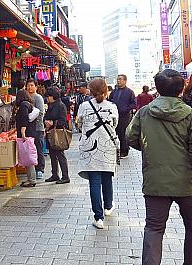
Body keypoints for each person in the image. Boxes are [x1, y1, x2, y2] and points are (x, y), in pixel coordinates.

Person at [127, 69, 192, 265]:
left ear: (158, 89)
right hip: (187, 182)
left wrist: (150, 148)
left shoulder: (144, 113)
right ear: (182, 88)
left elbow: (130, 137)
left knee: (154, 228)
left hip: (155, 181)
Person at [77, 78, 118, 229]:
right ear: (106, 90)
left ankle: (98, 218)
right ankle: (108, 206)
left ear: (90, 91)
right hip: (107, 147)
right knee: (107, 177)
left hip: (90, 148)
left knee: (94, 182)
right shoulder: (112, 107)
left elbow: (79, 124)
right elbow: (115, 124)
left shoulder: (84, 106)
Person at [43, 87, 70, 184]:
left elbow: (63, 121)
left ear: (53, 96)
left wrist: (53, 123)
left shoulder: (61, 105)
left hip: (58, 133)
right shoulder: (50, 105)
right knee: (52, 155)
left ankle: (65, 176)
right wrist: (46, 122)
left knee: (60, 154)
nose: (47, 98)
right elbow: (46, 117)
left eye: (48, 96)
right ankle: (55, 174)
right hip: (50, 133)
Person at [108, 74, 136, 158]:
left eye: (120, 79)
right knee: (114, 132)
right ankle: (117, 149)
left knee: (123, 133)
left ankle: (125, 150)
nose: (118, 81)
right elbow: (110, 101)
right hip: (114, 115)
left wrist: (126, 109)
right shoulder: (114, 92)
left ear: (125, 81)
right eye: (117, 79)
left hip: (124, 116)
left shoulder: (129, 92)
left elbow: (134, 103)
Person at [15, 89, 37, 187]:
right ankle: (30, 178)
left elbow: (24, 118)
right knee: (28, 156)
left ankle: (32, 180)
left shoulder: (24, 105)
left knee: (28, 157)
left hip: (26, 134)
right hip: (29, 133)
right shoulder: (28, 104)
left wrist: (22, 131)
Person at [26, 79, 45, 179]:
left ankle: (40, 169)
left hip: (38, 128)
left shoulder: (38, 98)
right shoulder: (26, 97)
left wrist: (31, 119)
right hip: (29, 128)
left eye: (32, 85)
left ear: (36, 87)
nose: (30, 87)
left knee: (39, 149)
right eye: (28, 85)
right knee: (31, 150)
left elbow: (41, 113)